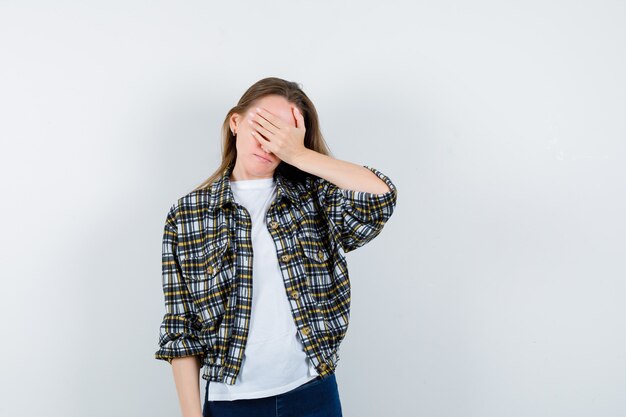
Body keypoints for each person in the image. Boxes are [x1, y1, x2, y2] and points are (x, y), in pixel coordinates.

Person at [154, 77, 398, 417]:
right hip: (230, 404)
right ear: (235, 122)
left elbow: (380, 198)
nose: (270, 142)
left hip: (313, 394)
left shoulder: (313, 198)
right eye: (263, 125)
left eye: (283, 134)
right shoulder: (188, 214)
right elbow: (181, 328)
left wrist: (299, 155)